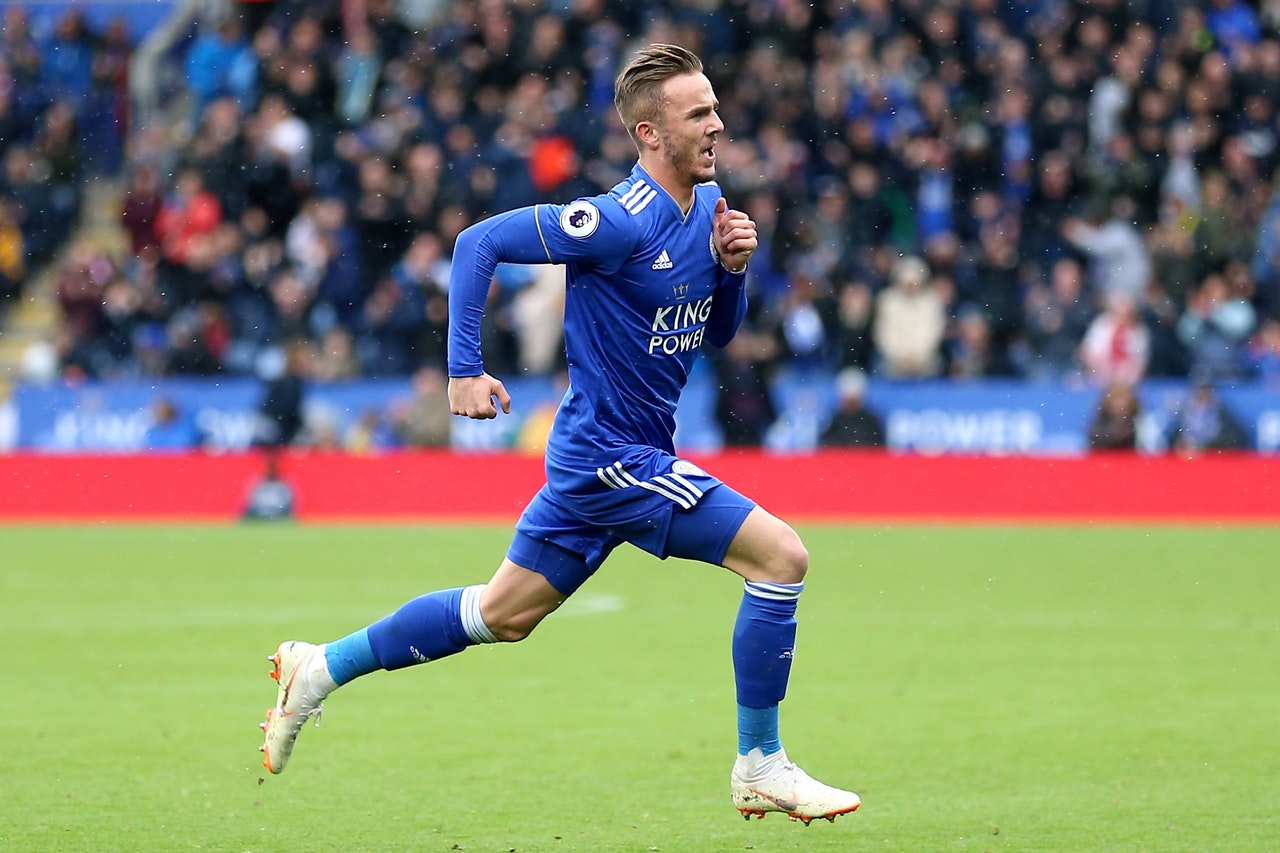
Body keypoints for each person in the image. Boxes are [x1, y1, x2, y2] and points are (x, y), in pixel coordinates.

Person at [258, 44, 860, 825]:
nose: (717, 124)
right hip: (612, 458)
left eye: (715, 108)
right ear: (650, 133)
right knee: (781, 557)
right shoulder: (614, 221)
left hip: (609, 458)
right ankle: (761, 763)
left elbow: (715, 335)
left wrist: (732, 268)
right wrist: (464, 368)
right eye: (698, 114)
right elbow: (478, 243)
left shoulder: (706, 210)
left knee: (500, 614)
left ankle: (318, 667)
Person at [820, 367, 885, 447]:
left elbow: (879, 447)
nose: (851, 401)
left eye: (854, 398)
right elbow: (827, 445)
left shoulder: (871, 421)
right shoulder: (835, 421)